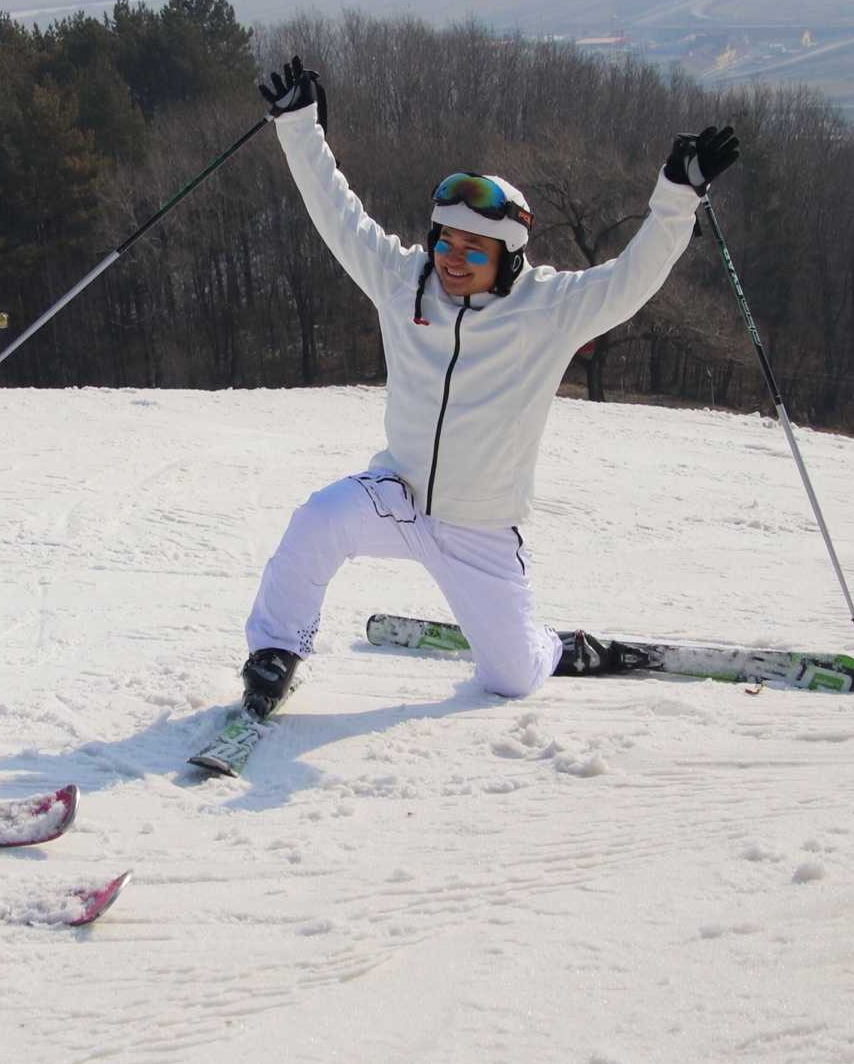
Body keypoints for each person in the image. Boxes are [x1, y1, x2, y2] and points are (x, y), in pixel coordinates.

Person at [236, 56, 739, 715]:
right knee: (318, 521)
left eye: (475, 250)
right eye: (447, 242)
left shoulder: (545, 310)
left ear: (507, 259)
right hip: (401, 497)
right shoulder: (402, 280)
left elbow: (628, 281)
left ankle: (555, 647)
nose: (453, 259)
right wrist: (300, 125)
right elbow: (338, 214)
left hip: (481, 527)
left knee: (511, 677)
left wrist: (676, 197)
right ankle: (276, 653)